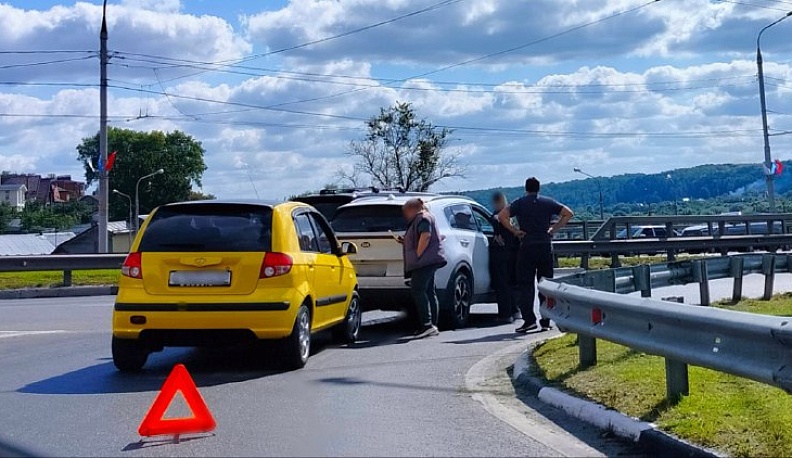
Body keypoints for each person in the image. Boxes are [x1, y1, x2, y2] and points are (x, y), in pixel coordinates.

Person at [499, 177, 574, 333]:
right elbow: (568, 213)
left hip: (527, 246)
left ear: (526, 188)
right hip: (545, 246)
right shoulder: (548, 202)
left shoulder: (520, 202)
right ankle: (546, 320)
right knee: (545, 284)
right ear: (538, 188)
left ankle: (529, 320)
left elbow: (502, 216)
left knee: (525, 285)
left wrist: (515, 231)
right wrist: (553, 229)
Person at [398, 198, 447, 339]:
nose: (405, 215)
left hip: (424, 261)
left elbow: (425, 236)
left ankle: (427, 325)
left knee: (418, 289)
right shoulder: (426, 217)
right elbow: (420, 236)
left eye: (405, 211)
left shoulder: (423, 218)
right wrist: (405, 241)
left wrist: (418, 253)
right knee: (429, 291)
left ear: (411, 209)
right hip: (430, 260)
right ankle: (432, 325)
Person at [490, 192, 520, 323]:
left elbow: (496, 233)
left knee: (502, 284)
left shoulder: (498, 217)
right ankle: (515, 310)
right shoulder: (510, 215)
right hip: (513, 252)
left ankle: (505, 314)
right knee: (512, 283)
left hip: (501, 253)